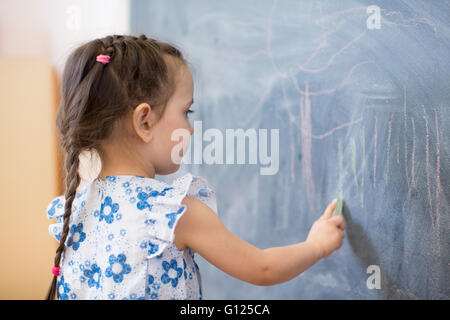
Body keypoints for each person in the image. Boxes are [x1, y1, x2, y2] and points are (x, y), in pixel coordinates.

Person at [45, 34, 345, 300]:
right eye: (186, 112)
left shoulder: (75, 212)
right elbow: (263, 268)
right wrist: (317, 246)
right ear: (144, 121)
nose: (190, 129)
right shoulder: (171, 213)